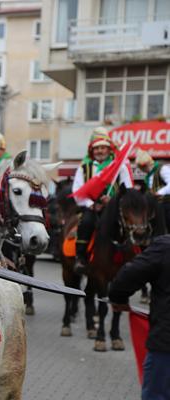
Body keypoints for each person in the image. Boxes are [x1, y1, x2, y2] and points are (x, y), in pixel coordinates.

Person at [109, 235, 170, 399]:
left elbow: (129, 274)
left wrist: (118, 298)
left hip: (165, 346)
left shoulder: (165, 246)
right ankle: (81, 256)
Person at [72, 127, 133, 274]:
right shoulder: (84, 168)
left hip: (114, 207)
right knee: (86, 223)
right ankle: (81, 257)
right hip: (92, 207)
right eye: (96, 148)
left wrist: (113, 200)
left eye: (103, 148)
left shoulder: (119, 167)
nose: (100, 151)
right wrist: (91, 205)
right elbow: (77, 191)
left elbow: (128, 189)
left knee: (129, 225)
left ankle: (132, 257)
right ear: (92, 151)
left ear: (109, 150)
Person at [135, 149, 170, 229]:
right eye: (141, 167)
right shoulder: (148, 176)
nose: (143, 169)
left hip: (167, 205)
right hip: (156, 208)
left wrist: (159, 192)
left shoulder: (162, 169)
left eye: (144, 166)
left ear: (150, 163)